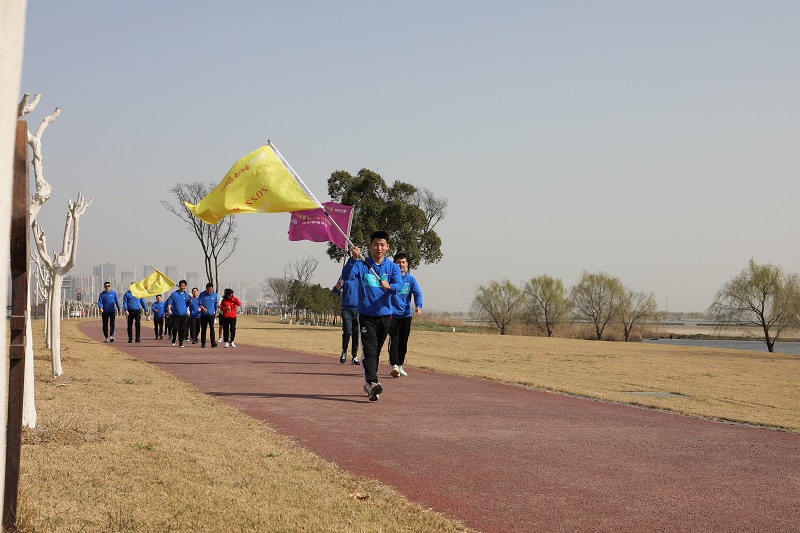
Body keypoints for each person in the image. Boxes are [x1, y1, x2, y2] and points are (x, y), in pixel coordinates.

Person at [341, 230, 402, 401]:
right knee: (369, 350)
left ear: (387, 247)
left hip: (385, 316)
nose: (379, 248)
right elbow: (347, 277)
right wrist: (353, 259)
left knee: (375, 352)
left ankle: (368, 385)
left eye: (382, 245)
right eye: (376, 244)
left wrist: (390, 286)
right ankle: (373, 382)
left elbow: (399, 285)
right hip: (366, 316)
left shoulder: (392, 267)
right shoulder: (362, 264)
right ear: (370, 246)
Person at [388, 252, 423, 377]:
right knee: (394, 339)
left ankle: (400, 365)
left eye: (403, 262)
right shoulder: (390, 278)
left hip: (406, 315)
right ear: (394, 264)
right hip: (392, 315)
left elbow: (418, 294)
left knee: (403, 341)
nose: (401, 264)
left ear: (407, 264)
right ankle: (394, 365)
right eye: (398, 262)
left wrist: (418, 306)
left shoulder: (411, 280)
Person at [332, 274, 360, 365]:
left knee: (356, 334)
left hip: (359, 310)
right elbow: (336, 290)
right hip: (346, 310)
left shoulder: (362, 275)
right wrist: (338, 285)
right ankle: (344, 351)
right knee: (347, 332)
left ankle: (354, 356)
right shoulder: (345, 275)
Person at [167, 280, 191, 348]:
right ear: (179, 286)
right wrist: (169, 309)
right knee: (175, 328)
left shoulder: (186, 295)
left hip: (183, 315)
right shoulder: (174, 294)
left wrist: (190, 299)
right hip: (175, 315)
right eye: (182, 286)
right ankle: (174, 339)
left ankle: (181, 343)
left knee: (182, 329)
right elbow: (170, 302)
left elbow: (188, 304)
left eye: (184, 286)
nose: (183, 287)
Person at [197, 282, 219, 348]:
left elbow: (216, 305)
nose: (209, 291)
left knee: (212, 328)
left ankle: (213, 343)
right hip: (204, 315)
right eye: (208, 290)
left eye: (211, 290)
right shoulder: (202, 294)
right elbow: (199, 303)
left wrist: (216, 312)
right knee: (204, 329)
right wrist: (202, 308)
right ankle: (203, 343)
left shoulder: (215, 295)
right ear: (206, 289)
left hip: (211, 314)